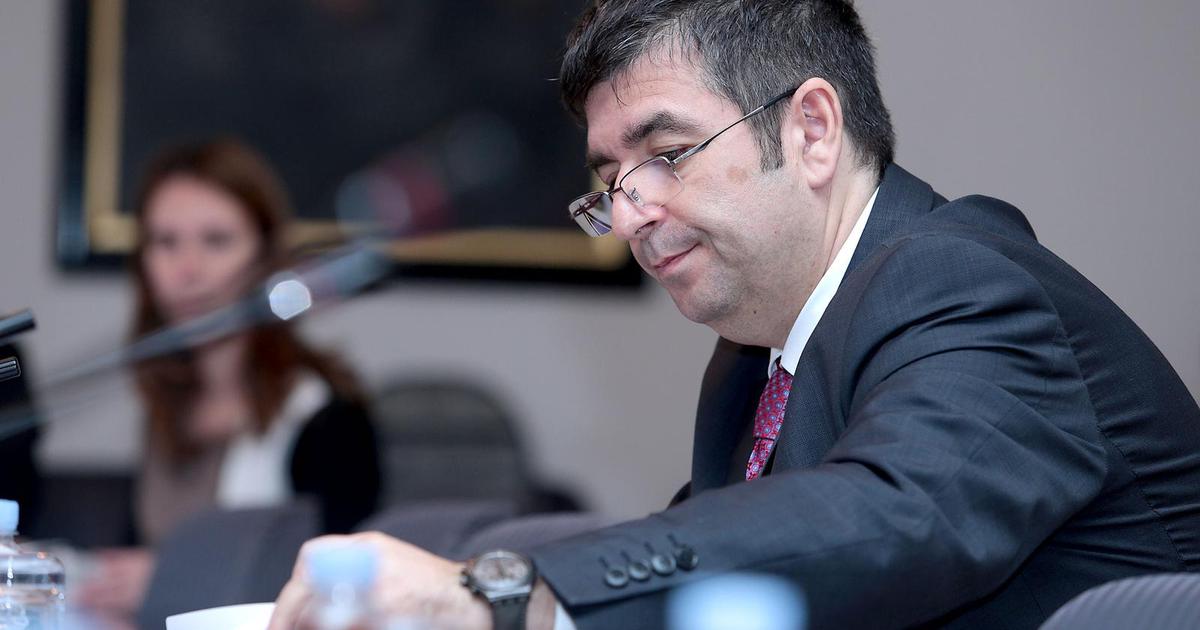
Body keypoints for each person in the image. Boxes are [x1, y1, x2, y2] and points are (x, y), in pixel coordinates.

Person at [269, 1, 1200, 629]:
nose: (628, 215)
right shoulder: (753, 361)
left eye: (665, 154)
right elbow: (718, 558)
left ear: (812, 130)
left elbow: (891, 515)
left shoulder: (959, 280)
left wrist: (505, 595)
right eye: (609, 181)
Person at [78, 138, 381, 621]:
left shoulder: (327, 415)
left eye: (216, 240)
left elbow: (345, 598)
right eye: (166, 242)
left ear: (264, 258)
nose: (188, 269)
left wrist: (173, 582)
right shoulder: (164, 404)